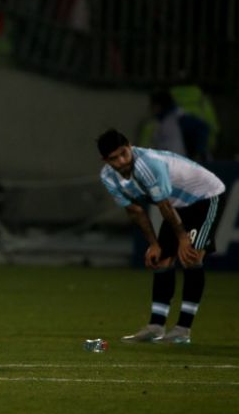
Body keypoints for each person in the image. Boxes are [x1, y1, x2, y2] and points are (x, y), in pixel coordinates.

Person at [96, 129, 225, 344]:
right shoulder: (108, 177)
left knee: (191, 257)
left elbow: (163, 205)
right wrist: (154, 244)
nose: (121, 161)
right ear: (105, 160)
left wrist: (183, 239)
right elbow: (135, 211)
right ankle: (156, 327)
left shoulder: (148, 165)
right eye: (113, 159)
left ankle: (183, 330)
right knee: (162, 261)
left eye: (123, 154)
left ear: (129, 146)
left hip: (205, 196)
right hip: (178, 206)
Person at [145, 89, 211, 162]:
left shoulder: (178, 119)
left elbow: (203, 128)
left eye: (152, 106)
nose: (151, 109)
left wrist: (198, 153)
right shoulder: (162, 122)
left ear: (158, 106)